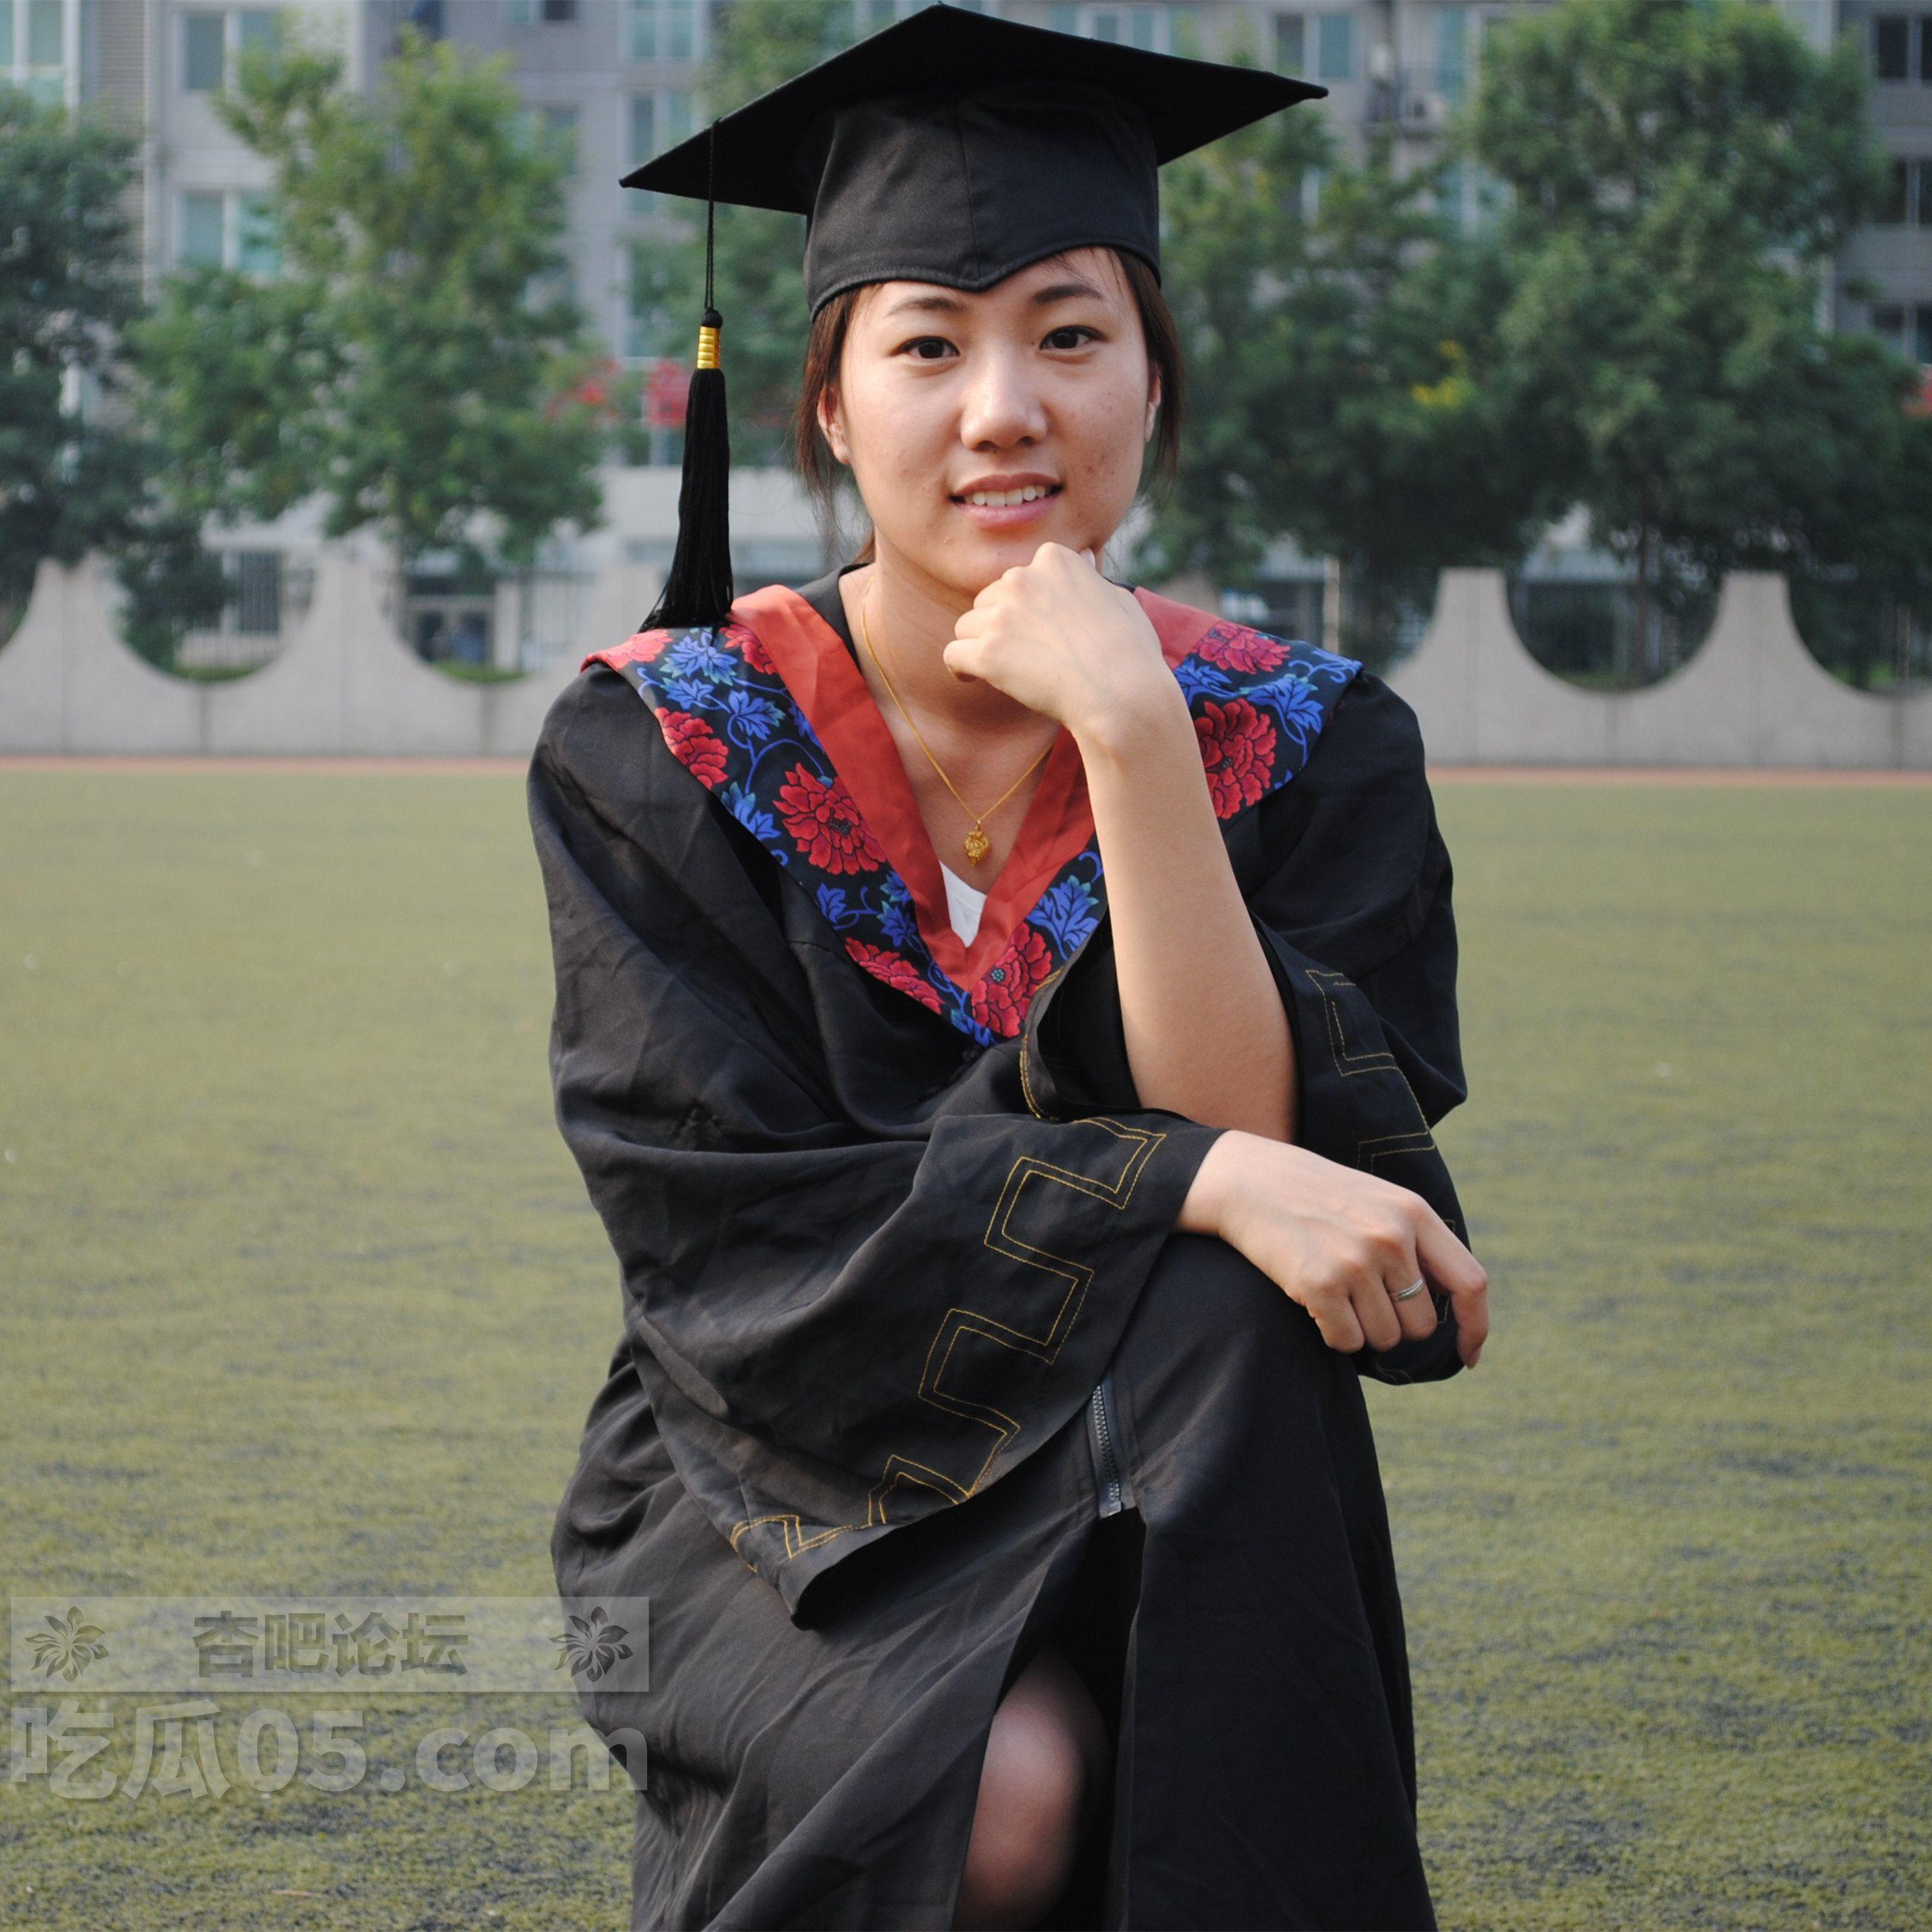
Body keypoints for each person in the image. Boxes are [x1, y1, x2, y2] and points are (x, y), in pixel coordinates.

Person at [525, 7, 1491, 1928]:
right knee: (1000, 1794)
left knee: (1209, 1395)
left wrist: (1133, 735)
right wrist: (1186, 1180)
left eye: (1067, 335)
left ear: (1153, 378)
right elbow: (735, 1243)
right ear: (826, 403)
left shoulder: (1304, 742)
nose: (1001, 410)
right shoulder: (666, 749)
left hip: (1174, 1459)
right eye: (927, 346)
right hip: (766, 1475)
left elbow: (1279, 1166)